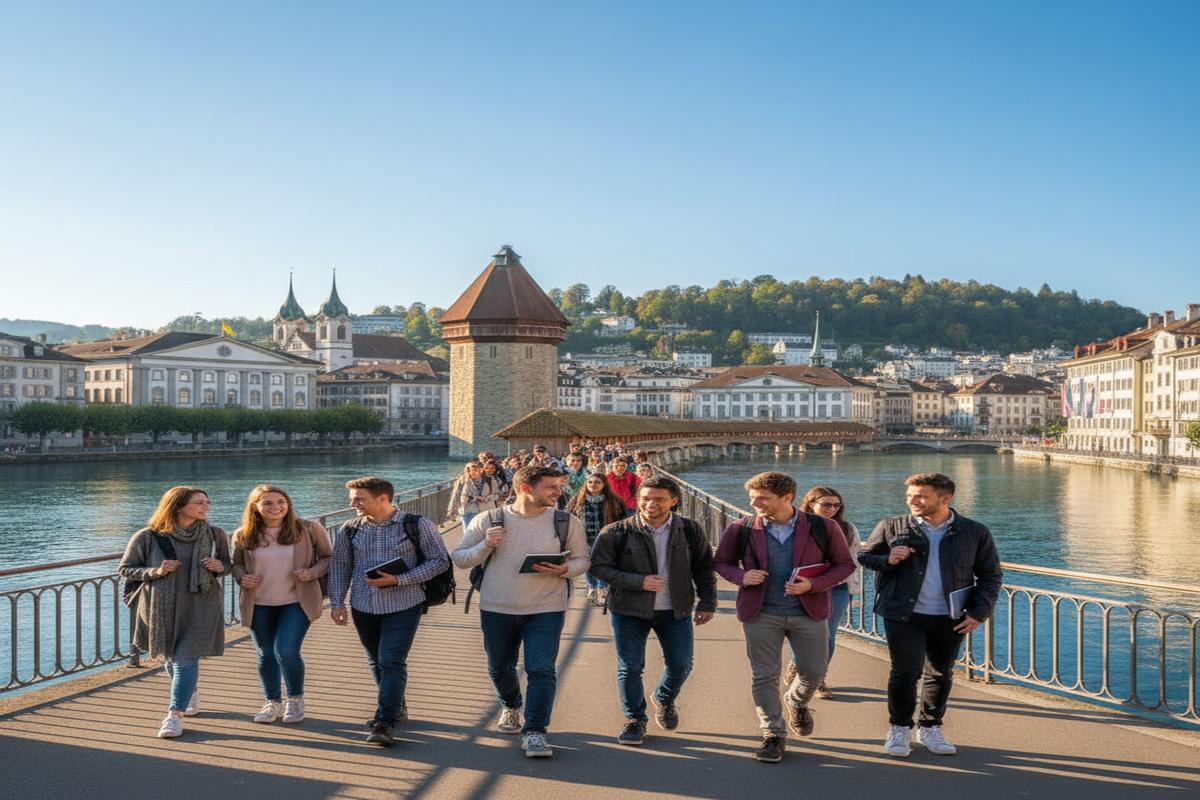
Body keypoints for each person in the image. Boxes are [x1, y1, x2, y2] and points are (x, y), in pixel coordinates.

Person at [713, 471, 855, 763]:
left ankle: (796, 701)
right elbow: (722, 562)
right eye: (752, 498)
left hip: (809, 612)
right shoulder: (741, 527)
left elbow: (844, 565)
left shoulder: (824, 527)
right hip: (761, 612)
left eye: (763, 498)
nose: (755, 503)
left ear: (787, 497)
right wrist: (742, 576)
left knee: (814, 672)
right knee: (764, 675)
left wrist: (813, 584)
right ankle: (772, 734)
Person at [858, 472, 1001, 758]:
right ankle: (899, 727)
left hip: (951, 615)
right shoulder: (891, 525)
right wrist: (888, 559)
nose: (913, 501)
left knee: (940, 673)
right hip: (902, 612)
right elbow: (864, 557)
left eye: (921, 496)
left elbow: (990, 575)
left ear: (945, 498)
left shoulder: (974, 531)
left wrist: (978, 612)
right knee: (905, 672)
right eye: (910, 495)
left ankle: (930, 727)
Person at [451, 465, 590, 758]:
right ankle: (511, 705)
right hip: (497, 607)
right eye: (551, 487)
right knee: (499, 667)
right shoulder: (488, 519)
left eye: (558, 486)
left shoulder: (566, 522)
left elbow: (582, 561)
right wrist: (487, 544)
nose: (558, 492)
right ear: (526, 488)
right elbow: (460, 559)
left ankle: (536, 731)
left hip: (546, 608)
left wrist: (565, 570)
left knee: (541, 668)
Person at [589, 475, 717, 746]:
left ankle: (664, 698)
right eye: (645, 498)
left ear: (674, 500)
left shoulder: (690, 529)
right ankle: (635, 720)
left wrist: (707, 603)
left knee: (681, 665)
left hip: (675, 609)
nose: (650, 504)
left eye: (659, 499)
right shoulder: (616, 531)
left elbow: (704, 567)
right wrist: (639, 582)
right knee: (630, 667)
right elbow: (598, 567)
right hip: (628, 609)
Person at [327, 476, 452, 747]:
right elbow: (340, 567)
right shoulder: (349, 529)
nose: (354, 504)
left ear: (383, 498)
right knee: (375, 660)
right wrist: (337, 603)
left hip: (404, 603)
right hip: (363, 604)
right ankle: (397, 704)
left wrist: (398, 579)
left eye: (360, 499)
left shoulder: (418, 525)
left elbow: (440, 561)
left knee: (392, 660)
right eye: (352, 500)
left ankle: (384, 721)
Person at [118, 486, 231, 739]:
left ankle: (174, 716)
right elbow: (126, 569)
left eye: (207, 502)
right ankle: (188, 692)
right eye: (199, 502)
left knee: (185, 659)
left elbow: (228, 564)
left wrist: (220, 566)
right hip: (160, 605)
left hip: (201, 605)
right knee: (171, 657)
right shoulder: (148, 536)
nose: (206, 507)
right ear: (179, 506)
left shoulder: (215, 534)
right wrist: (156, 571)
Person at [231, 484, 332, 724]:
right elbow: (235, 564)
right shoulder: (243, 534)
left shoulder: (308, 529)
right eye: (267, 503)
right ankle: (272, 702)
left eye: (281, 502)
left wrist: (313, 572)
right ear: (255, 507)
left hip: (297, 601)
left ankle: (295, 699)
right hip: (259, 602)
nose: (276, 507)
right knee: (265, 653)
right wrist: (242, 576)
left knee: (285, 651)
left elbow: (328, 557)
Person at [782, 486, 863, 699]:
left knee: (827, 634)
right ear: (810, 503)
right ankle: (798, 666)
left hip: (836, 588)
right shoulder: (795, 526)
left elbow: (853, 560)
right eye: (827, 504)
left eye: (837, 505)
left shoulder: (847, 528)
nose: (832, 509)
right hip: (802, 586)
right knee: (801, 633)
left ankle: (817, 679)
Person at [565, 471, 627, 605]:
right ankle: (592, 587)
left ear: (604, 485)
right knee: (588, 563)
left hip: (605, 538)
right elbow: (567, 515)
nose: (593, 485)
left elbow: (622, 519)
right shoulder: (578, 499)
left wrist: (619, 536)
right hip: (584, 537)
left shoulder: (614, 500)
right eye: (590, 482)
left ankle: (602, 587)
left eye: (598, 482)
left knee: (602, 563)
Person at [447, 460, 501, 532]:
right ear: (468, 471)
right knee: (468, 536)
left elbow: (497, 495)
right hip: (469, 511)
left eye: (479, 469)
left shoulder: (489, 479)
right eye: (474, 470)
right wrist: (451, 509)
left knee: (485, 535)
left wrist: (486, 498)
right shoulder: (462, 481)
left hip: (486, 511)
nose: (477, 472)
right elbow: (455, 495)